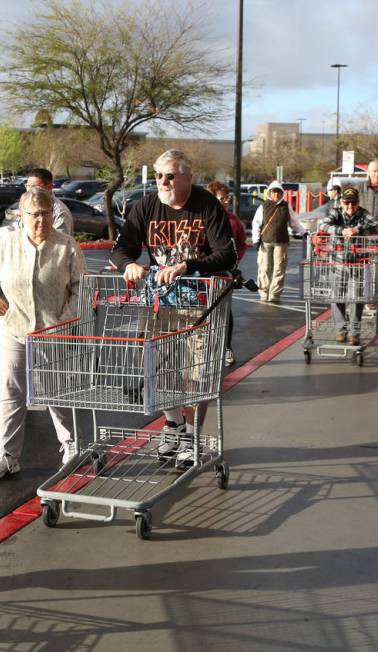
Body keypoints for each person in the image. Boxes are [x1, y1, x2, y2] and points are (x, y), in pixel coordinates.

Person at [111, 149, 236, 468]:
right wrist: (129, 265)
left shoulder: (206, 205)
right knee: (160, 368)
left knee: (196, 374)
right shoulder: (147, 205)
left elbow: (226, 255)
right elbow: (121, 248)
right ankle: (173, 424)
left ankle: (192, 435)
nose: (163, 182)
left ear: (187, 178)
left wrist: (186, 266)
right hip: (160, 300)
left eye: (170, 176)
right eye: (158, 176)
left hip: (201, 303)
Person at [0, 185, 85, 479]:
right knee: (11, 391)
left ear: (53, 214)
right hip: (14, 328)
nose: (40, 221)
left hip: (53, 331)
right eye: (34, 214)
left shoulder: (67, 246)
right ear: (22, 216)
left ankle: (71, 445)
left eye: (46, 214)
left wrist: (65, 319)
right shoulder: (7, 245)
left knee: (57, 390)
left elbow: (82, 288)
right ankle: (7, 455)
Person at [318, 187, 378, 345]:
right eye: (346, 202)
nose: (350, 206)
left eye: (353, 203)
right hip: (337, 262)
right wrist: (342, 230)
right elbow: (323, 225)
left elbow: (376, 227)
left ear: (358, 203)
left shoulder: (364, 214)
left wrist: (357, 230)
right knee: (337, 296)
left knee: (357, 298)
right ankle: (340, 330)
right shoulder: (335, 212)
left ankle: (354, 332)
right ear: (341, 202)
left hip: (358, 262)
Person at [207, 180, 247, 366]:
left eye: (227, 198)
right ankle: (206, 350)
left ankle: (226, 348)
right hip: (202, 273)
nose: (226, 201)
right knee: (203, 313)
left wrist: (234, 259)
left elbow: (241, 243)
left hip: (224, 272)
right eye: (222, 198)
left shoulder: (232, 220)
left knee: (225, 313)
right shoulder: (203, 217)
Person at [251, 181, 306, 303]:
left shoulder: (286, 207)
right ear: (270, 193)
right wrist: (255, 240)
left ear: (282, 193)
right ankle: (264, 293)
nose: (276, 194)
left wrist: (304, 233)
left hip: (281, 242)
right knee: (264, 268)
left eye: (278, 192)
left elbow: (294, 223)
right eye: (273, 191)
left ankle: (274, 294)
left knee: (279, 269)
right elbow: (256, 224)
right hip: (265, 242)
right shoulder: (263, 206)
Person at [25, 168, 75, 236]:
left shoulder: (60, 212)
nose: (29, 190)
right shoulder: (27, 207)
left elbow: (60, 242)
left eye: (34, 186)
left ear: (49, 187)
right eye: (28, 186)